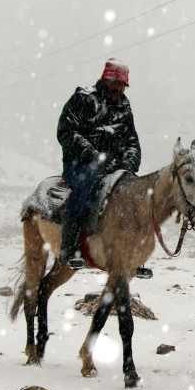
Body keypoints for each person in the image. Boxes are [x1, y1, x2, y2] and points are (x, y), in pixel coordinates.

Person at [57, 57, 141, 269]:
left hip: (113, 168)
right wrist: (93, 155)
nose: (118, 89)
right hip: (80, 165)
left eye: (122, 85)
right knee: (87, 184)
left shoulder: (124, 107)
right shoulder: (83, 99)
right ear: (105, 80)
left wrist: (129, 163)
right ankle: (69, 249)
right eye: (115, 83)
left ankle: (133, 255)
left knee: (136, 194)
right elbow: (66, 132)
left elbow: (132, 142)